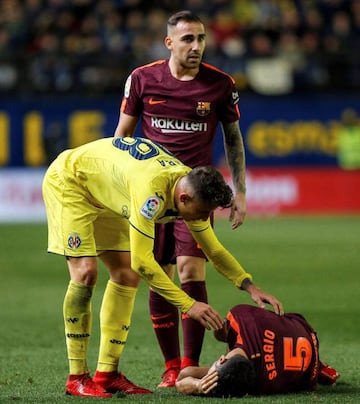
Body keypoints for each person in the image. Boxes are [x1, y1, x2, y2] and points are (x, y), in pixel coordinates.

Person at [42, 136, 283, 398]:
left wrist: (249, 286)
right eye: (202, 213)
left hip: (104, 192)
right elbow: (144, 262)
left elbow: (213, 249)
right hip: (71, 182)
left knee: (125, 276)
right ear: (184, 198)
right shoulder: (152, 194)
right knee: (86, 273)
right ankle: (77, 377)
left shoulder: (187, 187)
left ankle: (107, 374)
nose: (204, 219)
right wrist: (189, 305)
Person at [114, 10, 249, 387]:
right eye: (188, 39)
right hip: (152, 197)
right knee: (159, 276)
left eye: (201, 38)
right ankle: (171, 365)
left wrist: (240, 191)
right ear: (169, 42)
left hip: (196, 198)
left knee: (191, 270)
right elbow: (121, 138)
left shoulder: (220, 84)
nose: (196, 46)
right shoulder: (143, 79)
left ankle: (190, 362)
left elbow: (233, 138)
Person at [175, 304, 340, 397]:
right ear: (222, 360)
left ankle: (318, 367)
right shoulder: (240, 314)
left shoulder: (260, 386)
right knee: (277, 331)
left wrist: (198, 386)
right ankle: (319, 365)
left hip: (308, 373)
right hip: (305, 330)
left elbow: (183, 377)